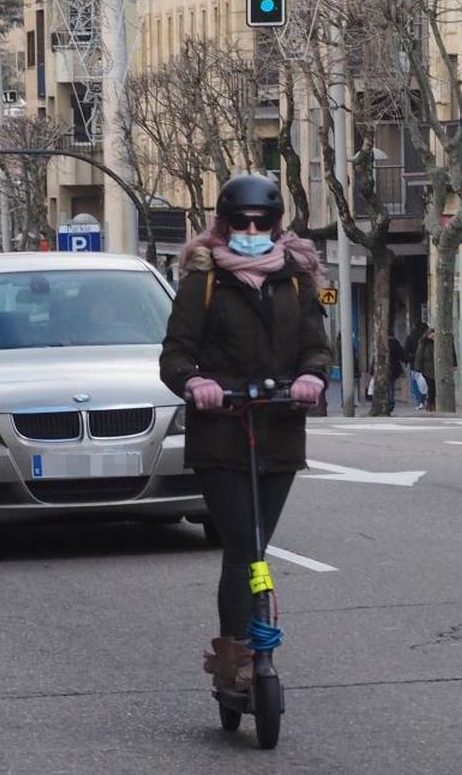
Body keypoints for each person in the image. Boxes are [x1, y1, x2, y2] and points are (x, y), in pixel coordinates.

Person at [159, 174, 331, 693]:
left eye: (262, 221)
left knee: (260, 541)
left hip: (279, 428)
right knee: (244, 547)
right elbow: (174, 354)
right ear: (224, 223)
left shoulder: (297, 277)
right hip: (222, 434)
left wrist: (311, 377)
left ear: (276, 224)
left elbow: (315, 345)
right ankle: (235, 655)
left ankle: (251, 647)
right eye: (241, 222)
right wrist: (196, 382)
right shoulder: (202, 279)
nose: (252, 229)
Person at [404, 320, 428, 409]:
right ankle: (424, 399)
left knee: (416, 383)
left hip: (414, 364)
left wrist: (406, 360)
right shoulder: (425, 338)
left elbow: (406, 351)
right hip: (426, 365)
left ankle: (420, 401)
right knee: (425, 382)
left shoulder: (410, 337)